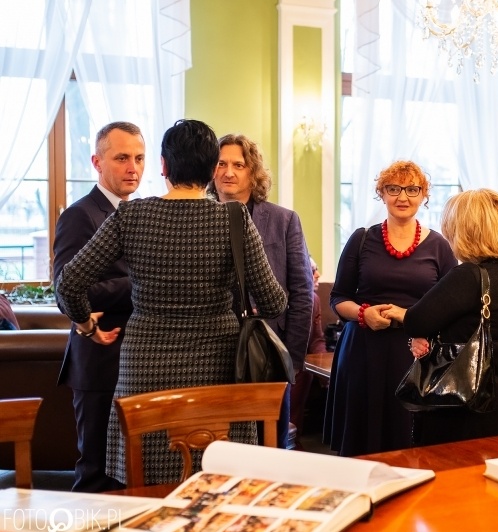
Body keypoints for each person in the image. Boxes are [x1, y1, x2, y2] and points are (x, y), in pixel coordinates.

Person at [56, 119, 287, 485]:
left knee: (147, 474)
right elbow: (273, 302)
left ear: (163, 165)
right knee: (214, 474)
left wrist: (86, 324)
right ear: (212, 170)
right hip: (217, 368)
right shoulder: (233, 218)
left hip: (144, 369)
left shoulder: (131, 215)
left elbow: (68, 284)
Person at [323, 160, 458, 456]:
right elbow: (338, 298)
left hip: (415, 355)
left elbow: (451, 307)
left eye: (412, 189)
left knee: (409, 448)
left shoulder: (440, 246)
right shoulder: (361, 239)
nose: (403, 197)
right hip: (362, 352)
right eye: (394, 189)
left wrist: (417, 323)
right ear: (381, 193)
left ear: (424, 195)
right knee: (360, 447)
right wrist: (363, 314)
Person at [381, 189, 498, 445]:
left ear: (465, 230)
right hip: (497, 396)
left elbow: (416, 320)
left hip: (459, 401)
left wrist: (404, 318)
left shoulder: (468, 276)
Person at [52, 121, 144, 492]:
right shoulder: (80, 214)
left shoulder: (140, 214)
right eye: (121, 158)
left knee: (130, 477)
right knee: (96, 474)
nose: (132, 167)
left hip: (136, 360)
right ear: (97, 162)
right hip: (99, 359)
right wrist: (142, 285)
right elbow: (65, 289)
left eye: (139, 158)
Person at [209, 133, 313, 449]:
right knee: (223, 447)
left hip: (269, 352)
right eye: (221, 164)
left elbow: (302, 292)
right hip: (213, 353)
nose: (228, 172)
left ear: (253, 172)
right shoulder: (200, 217)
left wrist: (292, 359)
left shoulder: (284, 220)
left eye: (238, 165)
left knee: (270, 448)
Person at [289, 257, 326, 443]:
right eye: (312, 270)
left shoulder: (315, 300)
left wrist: (326, 370)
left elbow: (317, 339)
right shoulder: (283, 299)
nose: (317, 274)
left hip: (302, 368)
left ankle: (295, 442)